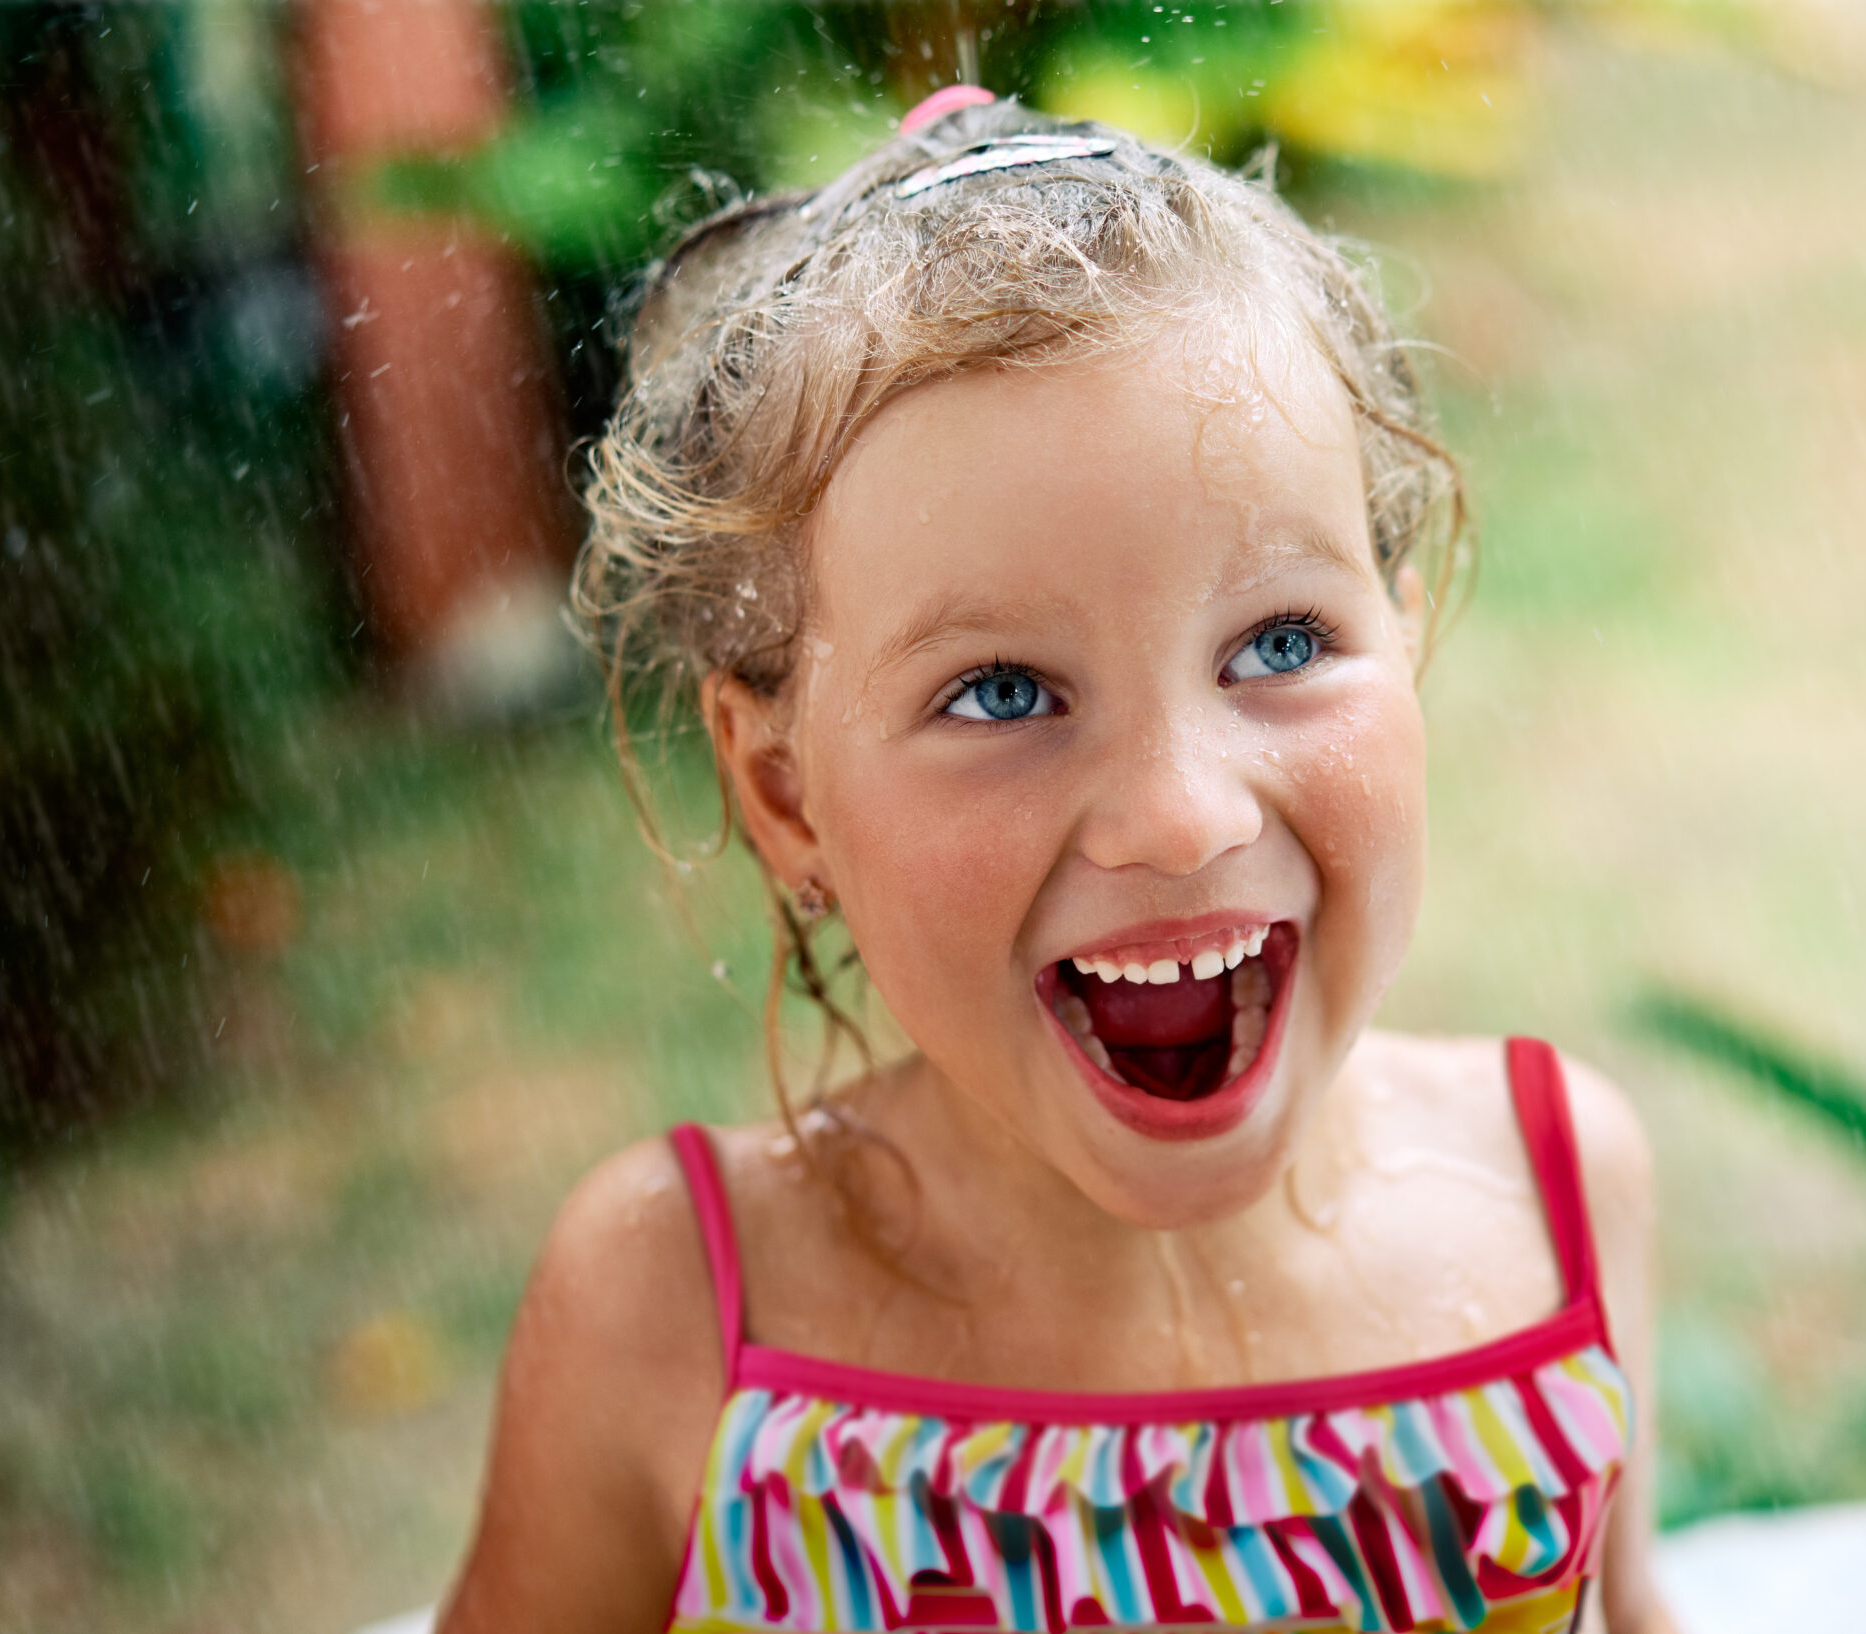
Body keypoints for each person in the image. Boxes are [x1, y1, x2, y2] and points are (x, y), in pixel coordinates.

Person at [438, 90, 1682, 1634]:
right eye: (1002, 693)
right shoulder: (672, 1314)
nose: (1182, 815)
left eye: (1280, 643)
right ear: (785, 790)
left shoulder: (1552, 1197)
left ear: (1404, 634)